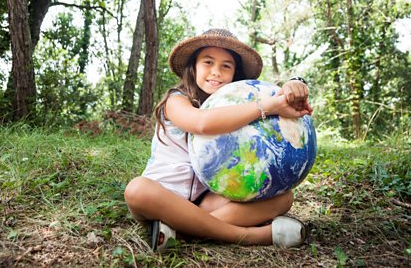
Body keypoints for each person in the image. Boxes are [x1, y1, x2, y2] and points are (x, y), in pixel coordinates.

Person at [124, 28, 313, 251]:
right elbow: (201, 123)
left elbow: (271, 96)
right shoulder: (177, 100)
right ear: (193, 67)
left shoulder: (235, 106)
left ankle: (180, 231)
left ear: (235, 74)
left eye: (226, 65)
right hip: (162, 197)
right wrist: (267, 106)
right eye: (208, 62)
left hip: (207, 201)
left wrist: (293, 84)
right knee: (137, 190)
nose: (216, 71)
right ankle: (248, 236)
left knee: (284, 199)